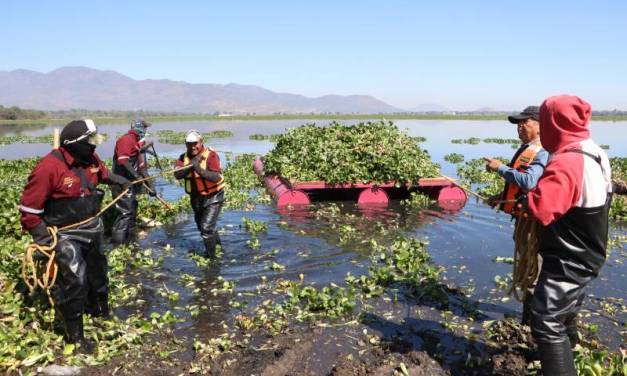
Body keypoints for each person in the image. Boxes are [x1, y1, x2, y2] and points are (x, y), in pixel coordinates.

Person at [19, 119, 131, 352]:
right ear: (74, 144)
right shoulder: (48, 167)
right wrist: (44, 239)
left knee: (98, 273)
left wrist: (119, 180)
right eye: (90, 142)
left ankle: (101, 313)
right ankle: (75, 337)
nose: (94, 147)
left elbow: (102, 174)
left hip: (92, 227)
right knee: (76, 279)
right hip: (65, 233)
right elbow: (29, 211)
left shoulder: (91, 159)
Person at [524, 95, 612, 375]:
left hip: (569, 257)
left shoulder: (567, 161)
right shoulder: (594, 150)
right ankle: (572, 346)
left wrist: (527, 198)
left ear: (552, 123)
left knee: (545, 320)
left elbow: (542, 209)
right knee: (565, 307)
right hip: (590, 250)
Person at [484, 106, 549, 324]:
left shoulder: (544, 150)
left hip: (533, 223)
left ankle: (532, 322)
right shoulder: (527, 148)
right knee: (528, 268)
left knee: (533, 272)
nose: (520, 127)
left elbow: (530, 182)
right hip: (522, 219)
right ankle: (530, 319)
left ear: (540, 126)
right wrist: (499, 196)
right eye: (518, 124)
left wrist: (500, 168)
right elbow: (520, 183)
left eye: (525, 122)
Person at [174, 130, 225, 257]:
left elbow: (215, 177)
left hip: (213, 196)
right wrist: (191, 165)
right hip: (196, 198)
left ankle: (212, 259)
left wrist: (198, 168)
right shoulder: (182, 158)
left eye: (195, 143)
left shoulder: (211, 155)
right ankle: (218, 249)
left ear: (201, 142)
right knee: (203, 227)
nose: (192, 147)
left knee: (206, 228)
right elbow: (177, 174)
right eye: (189, 144)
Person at [111, 118, 155, 244]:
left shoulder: (135, 142)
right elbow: (123, 161)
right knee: (125, 215)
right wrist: (136, 176)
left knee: (131, 211)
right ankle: (118, 247)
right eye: (144, 128)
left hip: (128, 183)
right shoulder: (126, 140)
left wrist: (149, 185)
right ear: (139, 128)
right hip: (120, 184)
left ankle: (130, 243)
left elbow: (142, 168)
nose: (145, 131)